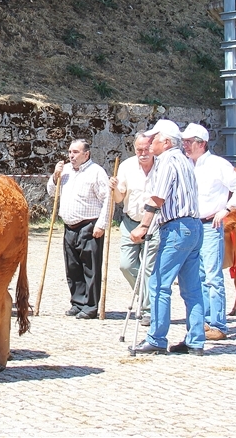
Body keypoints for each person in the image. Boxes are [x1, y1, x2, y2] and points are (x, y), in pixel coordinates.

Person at [128, 119, 205, 356]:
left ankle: (157, 339)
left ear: (167, 142)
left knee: (159, 284)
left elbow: (157, 197)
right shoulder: (185, 161)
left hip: (177, 228)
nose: (151, 143)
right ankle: (195, 340)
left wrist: (143, 226)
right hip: (193, 226)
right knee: (192, 288)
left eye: (155, 139)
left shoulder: (168, 161)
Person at [181, 123, 236, 341]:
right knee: (198, 275)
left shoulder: (218, 165)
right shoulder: (185, 164)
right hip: (192, 224)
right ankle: (206, 321)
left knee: (212, 275)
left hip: (210, 224)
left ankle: (218, 324)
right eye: (184, 141)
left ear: (201, 144)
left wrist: (227, 209)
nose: (185, 145)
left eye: (189, 142)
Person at [46, 139, 110, 320]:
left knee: (90, 267)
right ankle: (77, 302)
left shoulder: (96, 172)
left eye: (75, 152)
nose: (71, 156)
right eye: (69, 152)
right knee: (72, 267)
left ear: (86, 154)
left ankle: (90, 306)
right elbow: (52, 192)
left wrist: (101, 224)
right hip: (69, 225)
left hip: (89, 225)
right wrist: (55, 176)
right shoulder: (65, 170)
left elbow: (108, 199)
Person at [108, 132, 158, 326]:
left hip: (154, 222)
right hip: (130, 221)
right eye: (139, 150)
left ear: (152, 148)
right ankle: (147, 299)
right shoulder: (126, 166)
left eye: (146, 149)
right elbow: (120, 198)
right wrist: (113, 188)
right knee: (126, 265)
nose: (143, 153)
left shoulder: (162, 167)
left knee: (149, 268)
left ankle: (147, 309)